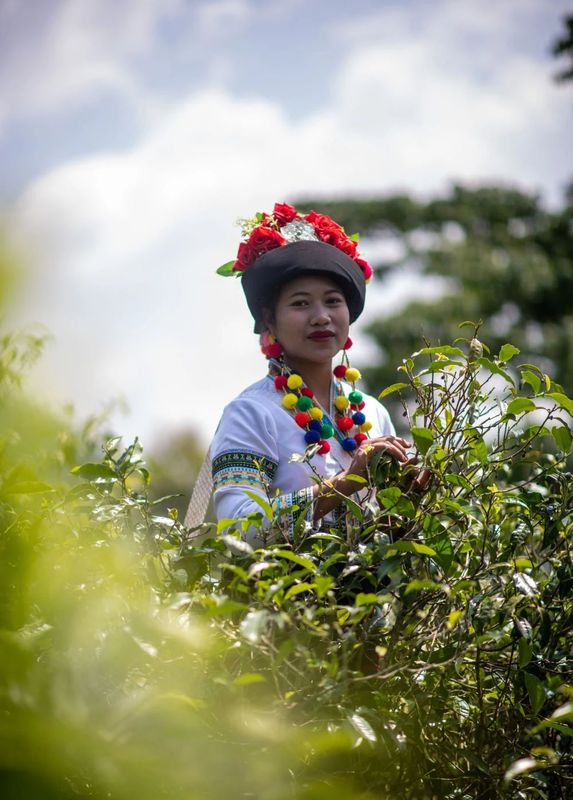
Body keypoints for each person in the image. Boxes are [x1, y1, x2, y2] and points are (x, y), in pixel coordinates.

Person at [189, 203, 413, 540]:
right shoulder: (251, 413)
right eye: (300, 303)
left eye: (333, 301)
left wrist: (411, 501)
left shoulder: (371, 412)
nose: (321, 316)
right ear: (268, 319)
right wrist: (347, 481)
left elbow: (388, 532)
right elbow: (239, 530)